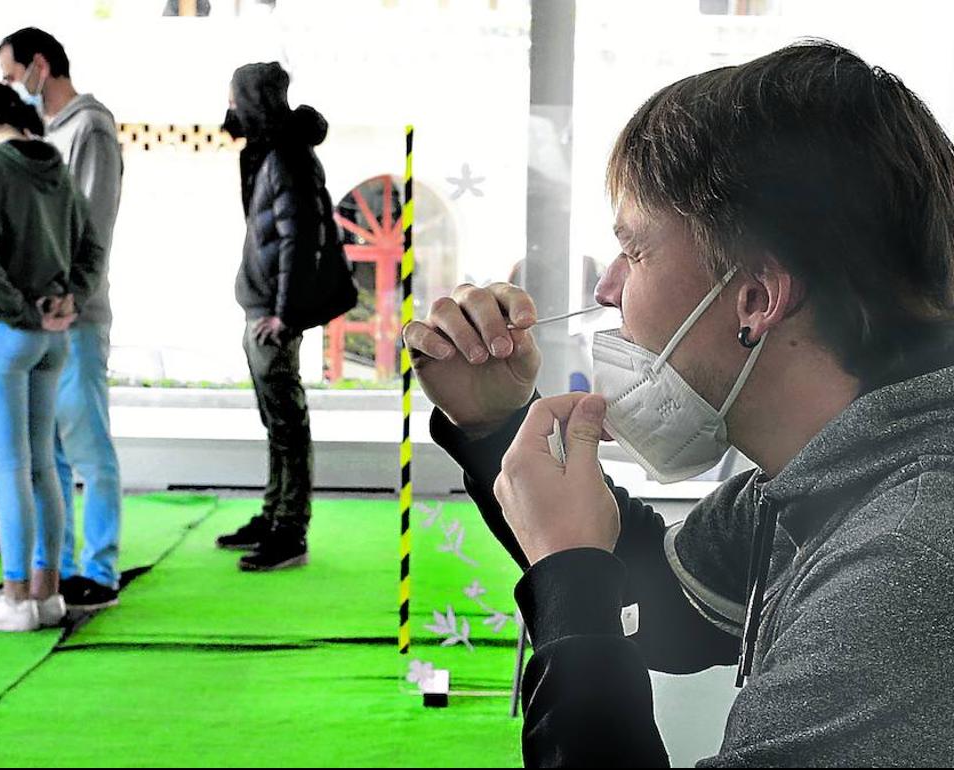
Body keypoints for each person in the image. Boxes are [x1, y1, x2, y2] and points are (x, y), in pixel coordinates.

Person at [404, 41, 954, 766]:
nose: (606, 292)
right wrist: (497, 422)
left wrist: (568, 571)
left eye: (634, 253)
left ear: (755, 298)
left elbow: (604, 587)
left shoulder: (907, 561)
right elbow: (658, 602)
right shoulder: (833, 471)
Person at [0, 82, 105, 632]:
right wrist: (71, 298)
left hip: (4, 332)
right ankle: (47, 593)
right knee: (45, 466)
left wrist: (19, 311)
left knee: (9, 469)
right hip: (55, 334)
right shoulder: (58, 170)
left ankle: (15, 595)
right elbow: (92, 248)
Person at [0, 27, 125, 611]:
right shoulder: (46, 136)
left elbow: (93, 225)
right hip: (39, 321)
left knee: (88, 446)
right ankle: (61, 569)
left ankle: (99, 569)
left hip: (77, 314)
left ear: (39, 66)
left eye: (10, 74)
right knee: (51, 454)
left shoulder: (89, 128)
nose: (8, 88)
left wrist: (70, 296)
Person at [213, 62, 337, 571]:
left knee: (287, 420)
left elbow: (299, 239)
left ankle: (290, 528)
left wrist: (284, 315)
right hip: (263, 305)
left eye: (235, 96)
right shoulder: (270, 152)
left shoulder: (286, 156)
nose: (229, 107)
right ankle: (274, 514)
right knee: (276, 419)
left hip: (273, 313)